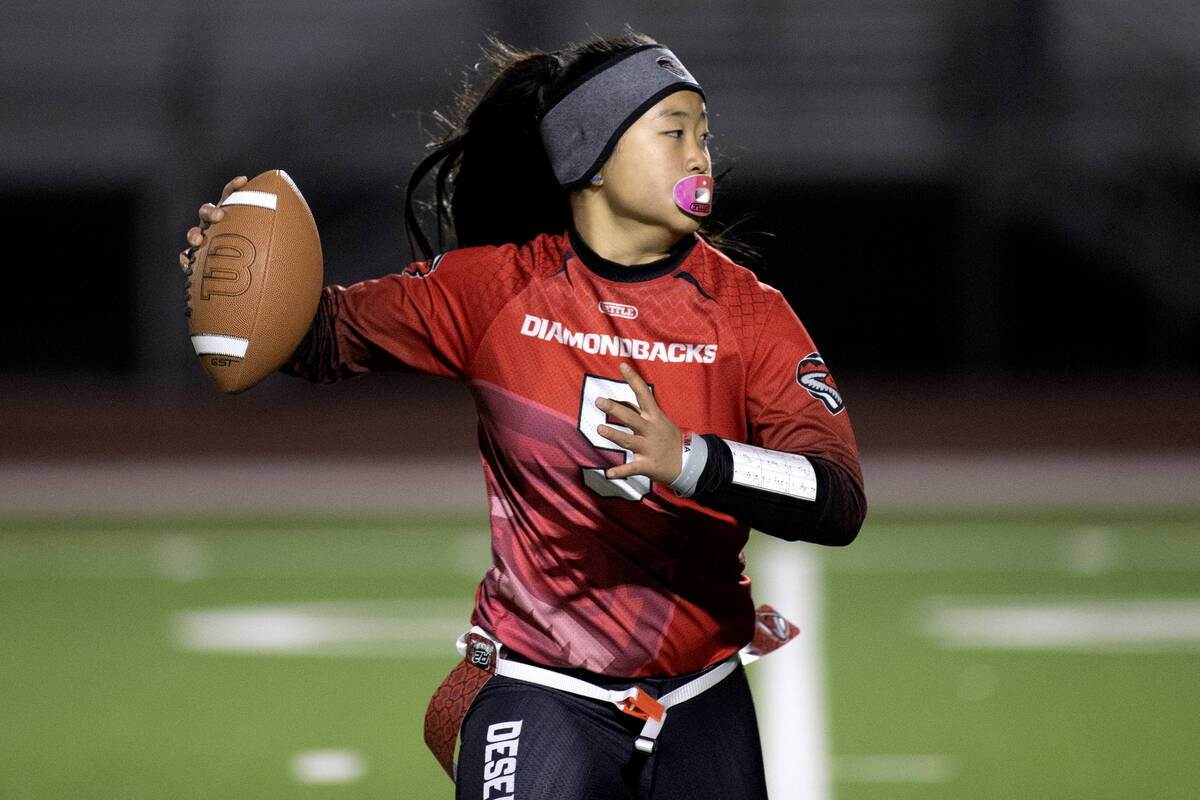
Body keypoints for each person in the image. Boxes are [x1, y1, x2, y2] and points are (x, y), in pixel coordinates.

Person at [181, 31, 865, 800]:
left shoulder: (750, 316)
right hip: (539, 686)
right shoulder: (495, 290)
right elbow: (321, 337)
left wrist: (692, 459)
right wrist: (235, 281)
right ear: (590, 159)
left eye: (703, 134)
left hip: (699, 695)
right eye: (673, 132)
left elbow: (836, 496)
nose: (699, 154)